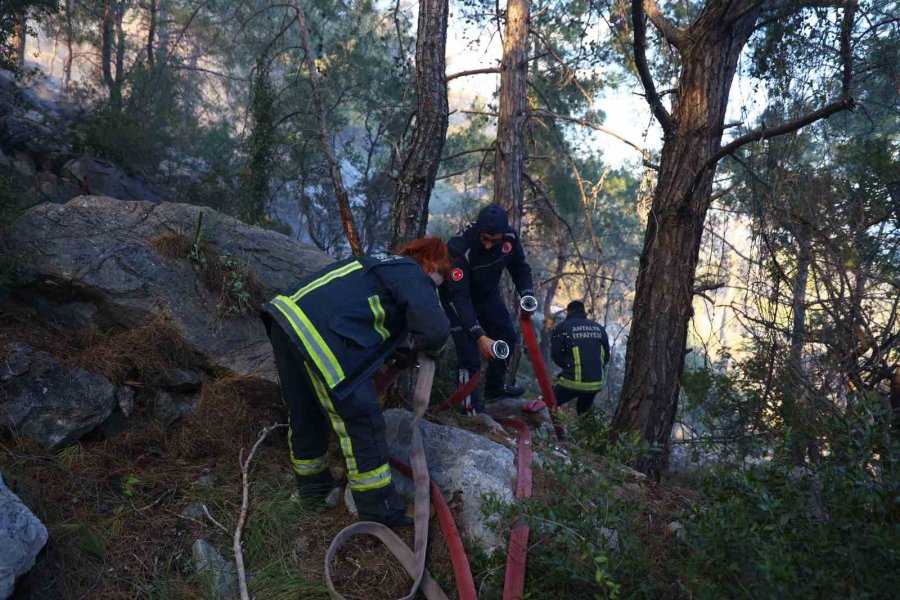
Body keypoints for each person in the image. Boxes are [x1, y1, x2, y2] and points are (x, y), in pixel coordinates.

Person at [260, 237, 450, 527]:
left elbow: (369, 323)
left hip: (285, 318)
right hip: (322, 335)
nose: (439, 286)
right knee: (362, 420)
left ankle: (313, 493)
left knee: (306, 412)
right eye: (442, 278)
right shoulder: (413, 272)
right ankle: (381, 511)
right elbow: (435, 331)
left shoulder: (381, 265)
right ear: (432, 263)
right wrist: (433, 351)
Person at [441, 204, 536, 416]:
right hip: (457, 299)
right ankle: (468, 409)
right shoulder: (460, 247)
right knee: (469, 354)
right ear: (478, 232)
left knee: (507, 336)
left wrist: (527, 293)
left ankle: (495, 389)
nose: (488, 245)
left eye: (495, 240)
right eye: (485, 238)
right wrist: (479, 335)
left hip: (487, 295)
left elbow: (519, 267)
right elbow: (459, 297)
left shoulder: (510, 238)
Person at [550, 300, 611, 415]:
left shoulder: (562, 328)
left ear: (568, 312)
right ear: (583, 312)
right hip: (595, 383)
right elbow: (606, 356)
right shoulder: (598, 328)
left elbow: (557, 356)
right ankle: (586, 431)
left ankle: (545, 427)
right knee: (584, 413)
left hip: (571, 382)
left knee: (549, 404)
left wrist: (568, 368)